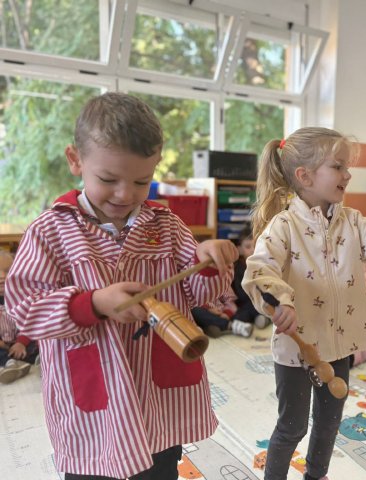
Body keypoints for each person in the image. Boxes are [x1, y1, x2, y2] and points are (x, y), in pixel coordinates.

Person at [5, 92, 238, 480]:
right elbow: (24, 308)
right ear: (76, 160)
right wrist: (93, 304)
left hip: (158, 401)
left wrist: (210, 263)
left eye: (141, 181)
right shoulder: (50, 231)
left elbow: (202, 295)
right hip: (95, 412)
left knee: (160, 469)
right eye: (108, 179)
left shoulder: (167, 226)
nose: (125, 194)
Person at [241, 127, 366, 480]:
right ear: (305, 176)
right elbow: (259, 270)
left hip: (340, 345)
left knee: (329, 423)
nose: (347, 174)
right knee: (292, 427)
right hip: (297, 349)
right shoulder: (283, 226)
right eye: (338, 166)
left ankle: (316, 475)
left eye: (347, 167)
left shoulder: (352, 221)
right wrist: (281, 301)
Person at [0, 251, 39, 384]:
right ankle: (9, 364)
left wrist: (21, 342)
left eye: (7, 271)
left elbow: (30, 322)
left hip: (20, 342)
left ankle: (40, 360)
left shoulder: (22, 298)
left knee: (37, 342)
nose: (2, 276)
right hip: (2, 345)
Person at [231, 227, 271, 329]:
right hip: (246, 302)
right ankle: (261, 318)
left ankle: (263, 317)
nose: (253, 250)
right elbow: (241, 294)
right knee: (243, 314)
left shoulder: (262, 264)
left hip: (261, 300)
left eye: (256, 246)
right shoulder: (238, 268)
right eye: (248, 247)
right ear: (239, 250)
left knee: (270, 301)